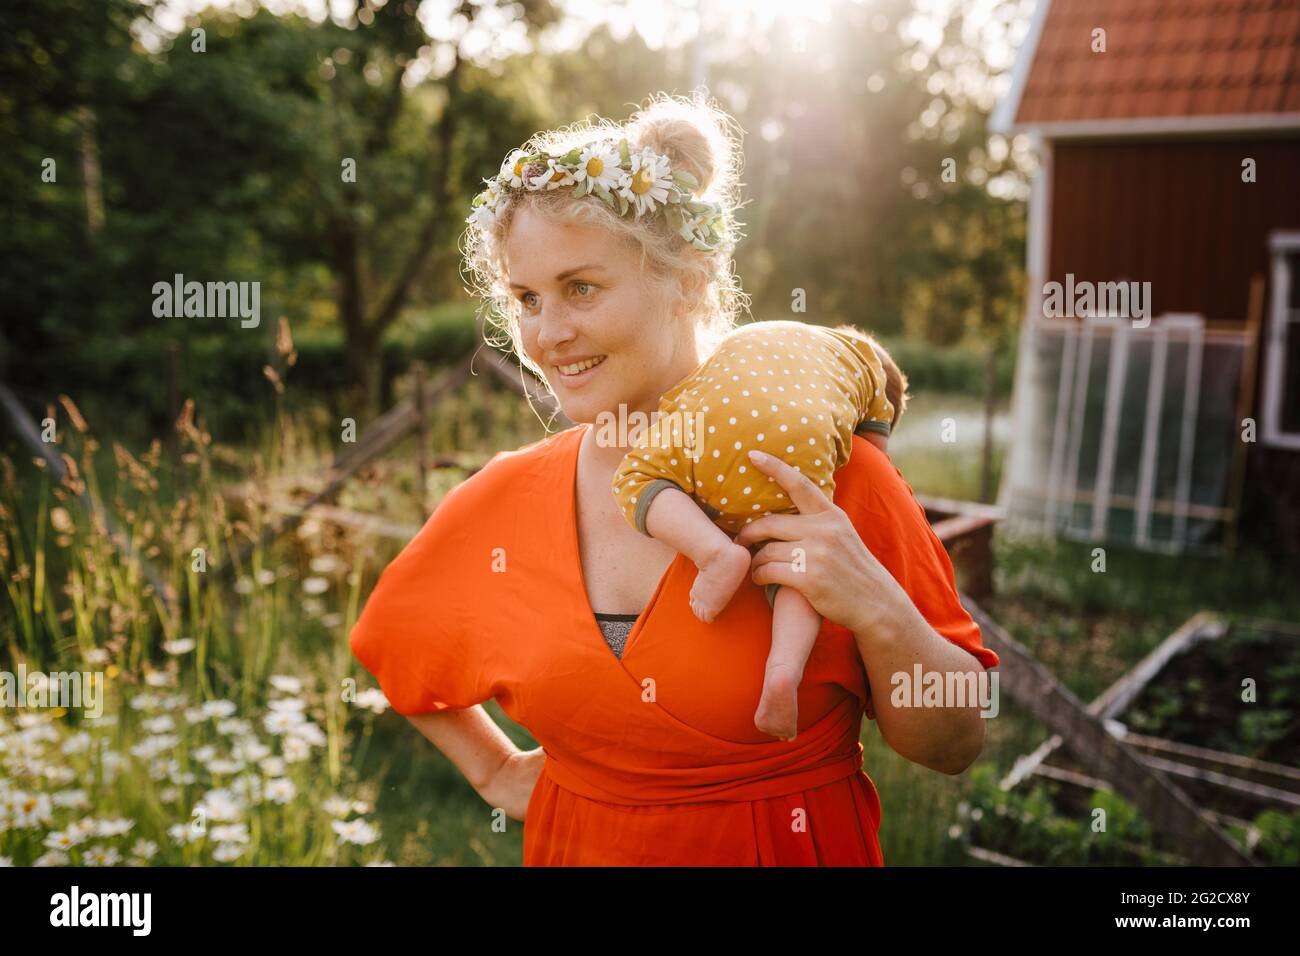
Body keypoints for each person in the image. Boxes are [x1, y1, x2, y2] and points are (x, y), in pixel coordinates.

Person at [349, 90, 998, 866]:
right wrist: (495, 772)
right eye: (526, 298)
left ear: (687, 280)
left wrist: (881, 611)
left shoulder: (828, 474)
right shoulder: (506, 496)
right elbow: (392, 638)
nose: (549, 333)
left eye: (581, 288)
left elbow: (956, 744)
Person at [609, 319, 905, 742]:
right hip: (797, 447)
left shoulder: (783, 334)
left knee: (636, 479)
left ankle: (713, 550)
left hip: (713, 417)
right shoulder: (870, 373)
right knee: (799, 564)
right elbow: (873, 461)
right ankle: (782, 673)